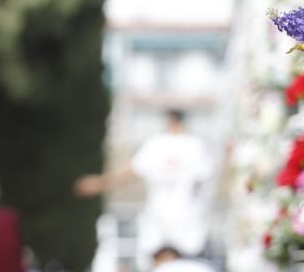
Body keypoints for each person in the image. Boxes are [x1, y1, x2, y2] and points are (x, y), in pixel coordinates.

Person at [74, 109, 214, 258]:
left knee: (162, 262)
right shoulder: (195, 146)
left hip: (167, 217)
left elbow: (130, 172)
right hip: (182, 218)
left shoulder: (159, 144)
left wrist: (100, 183)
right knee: (183, 262)